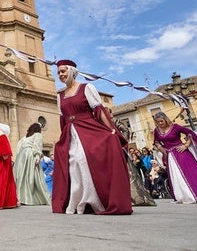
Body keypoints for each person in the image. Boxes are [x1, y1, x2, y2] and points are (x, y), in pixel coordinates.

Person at [52, 59, 132, 215]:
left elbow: (99, 111)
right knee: (73, 163)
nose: (60, 75)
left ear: (72, 72)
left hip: (88, 129)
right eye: (59, 72)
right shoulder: (59, 95)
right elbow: (62, 119)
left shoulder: (86, 88)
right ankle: (78, 201)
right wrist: (63, 138)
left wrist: (110, 129)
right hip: (71, 133)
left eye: (63, 71)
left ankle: (93, 200)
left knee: (82, 160)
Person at [153, 112, 197, 204]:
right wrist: (162, 150)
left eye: (161, 121)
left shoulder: (175, 127)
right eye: (158, 122)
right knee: (175, 176)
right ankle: (181, 197)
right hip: (169, 156)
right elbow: (156, 142)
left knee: (190, 174)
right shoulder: (157, 130)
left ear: (165, 119)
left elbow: (190, 133)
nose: (160, 123)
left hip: (181, 153)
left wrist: (186, 145)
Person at [13, 123, 51, 205]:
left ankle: (19, 197)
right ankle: (28, 197)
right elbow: (37, 146)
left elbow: (18, 148)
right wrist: (37, 157)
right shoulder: (37, 135)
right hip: (29, 155)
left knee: (21, 177)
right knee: (31, 176)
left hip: (21, 157)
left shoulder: (24, 138)